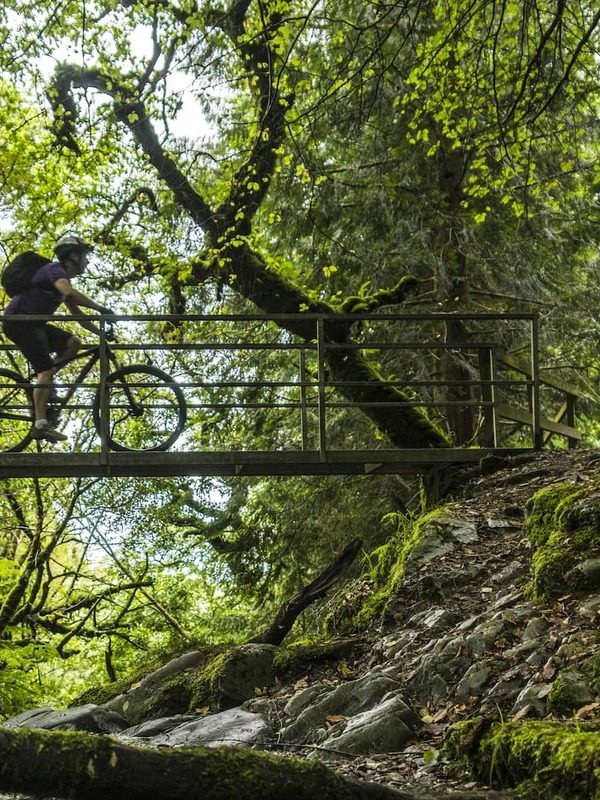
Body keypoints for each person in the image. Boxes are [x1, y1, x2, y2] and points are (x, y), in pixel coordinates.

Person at [2, 233, 114, 443]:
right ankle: (40, 425)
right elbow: (69, 294)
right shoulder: (55, 271)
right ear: (73, 256)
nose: (87, 261)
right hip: (18, 322)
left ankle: (47, 384)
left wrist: (101, 334)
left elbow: (78, 316)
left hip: (35, 323)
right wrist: (101, 309)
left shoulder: (62, 281)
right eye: (84, 256)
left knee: (73, 343)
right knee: (46, 371)